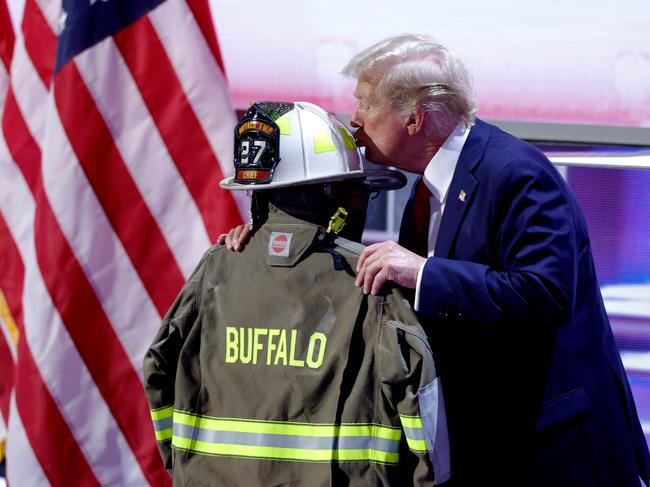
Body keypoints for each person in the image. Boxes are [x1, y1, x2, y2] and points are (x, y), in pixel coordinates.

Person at [220, 36, 650, 486]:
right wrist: (277, 236)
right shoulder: (429, 185)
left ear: (415, 118)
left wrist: (422, 271)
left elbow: (545, 293)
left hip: (551, 450)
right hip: (485, 443)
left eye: (365, 103)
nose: (355, 120)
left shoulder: (517, 173)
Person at [143, 101, 452, 486]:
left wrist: (187, 466)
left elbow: (158, 368)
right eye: (356, 192)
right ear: (328, 193)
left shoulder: (217, 267)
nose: (360, 204)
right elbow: (420, 401)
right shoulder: (372, 281)